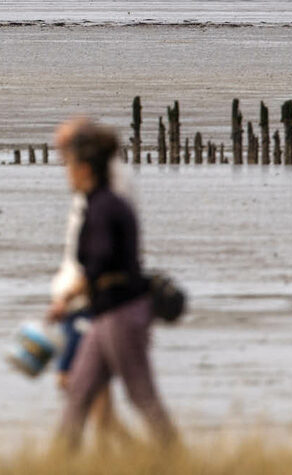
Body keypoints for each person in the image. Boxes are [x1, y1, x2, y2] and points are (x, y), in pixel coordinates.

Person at [50, 122, 177, 451]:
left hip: (121, 311)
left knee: (141, 394)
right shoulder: (96, 202)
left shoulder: (107, 206)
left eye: (70, 165)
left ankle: (176, 458)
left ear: (85, 168)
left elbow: (100, 262)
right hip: (103, 311)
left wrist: (68, 296)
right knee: (78, 391)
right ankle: (57, 462)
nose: (67, 173)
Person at [49, 118, 135, 450]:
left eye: (66, 152)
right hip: (86, 297)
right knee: (94, 393)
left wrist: (72, 294)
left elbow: (101, 254)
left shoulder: (106, 191)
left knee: (74, 382)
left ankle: (150, 458)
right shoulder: (92, 189)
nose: (63, 162)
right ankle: (122, 458)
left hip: (90, 300)